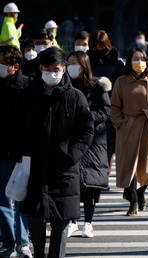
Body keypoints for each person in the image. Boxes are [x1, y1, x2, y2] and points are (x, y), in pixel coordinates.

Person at [20, 47, 94, 258]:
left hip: (64, 170)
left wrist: (71, 155)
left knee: (61, 224)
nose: (52, 73)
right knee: (35, 220)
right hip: (35, 167)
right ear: (40, 68)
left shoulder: (75, 97)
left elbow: (86, 130)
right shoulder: (28, 95)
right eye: (47, 68)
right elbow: (18, 127)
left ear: (63, 70)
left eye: (57, 68)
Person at [111, 47, 148, 215]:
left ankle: (141, 196)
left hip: (147, 128)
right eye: (135, 58)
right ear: (129, 61)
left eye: (142, 59)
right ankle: (133, 200)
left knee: (145, 165)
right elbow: (114, 106)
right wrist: (120, 122)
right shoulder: (121, 81)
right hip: (127, 128)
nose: (139, 62)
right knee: (129, 165)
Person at [66, 51, 111, 237]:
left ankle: (88, 222)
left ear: (84, 65)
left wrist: (86, 119)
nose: (71, 66)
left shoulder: (96, 86)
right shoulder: (64, 85)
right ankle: (72, 221)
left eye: (75, 63)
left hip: (93, 140)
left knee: (90, 185)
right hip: (70, 139)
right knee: (72, 183)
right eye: (69, 63)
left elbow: (105, 110)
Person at [0, 46, 32, 258]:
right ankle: (8, 242)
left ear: (15, 66)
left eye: (2, 63)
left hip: (23, 151)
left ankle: (23, 242)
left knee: (21, 198)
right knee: (1, 199)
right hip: (1, 150)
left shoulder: (29, 87)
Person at [87, 30, 125, 175]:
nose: (98, 49)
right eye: (96, 46)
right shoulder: (87, 59)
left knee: (109, 141)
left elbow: (122, 82)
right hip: (92, 103)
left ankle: (106, 170)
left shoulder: (116, 61)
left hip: (112, 102)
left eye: (101, 45)